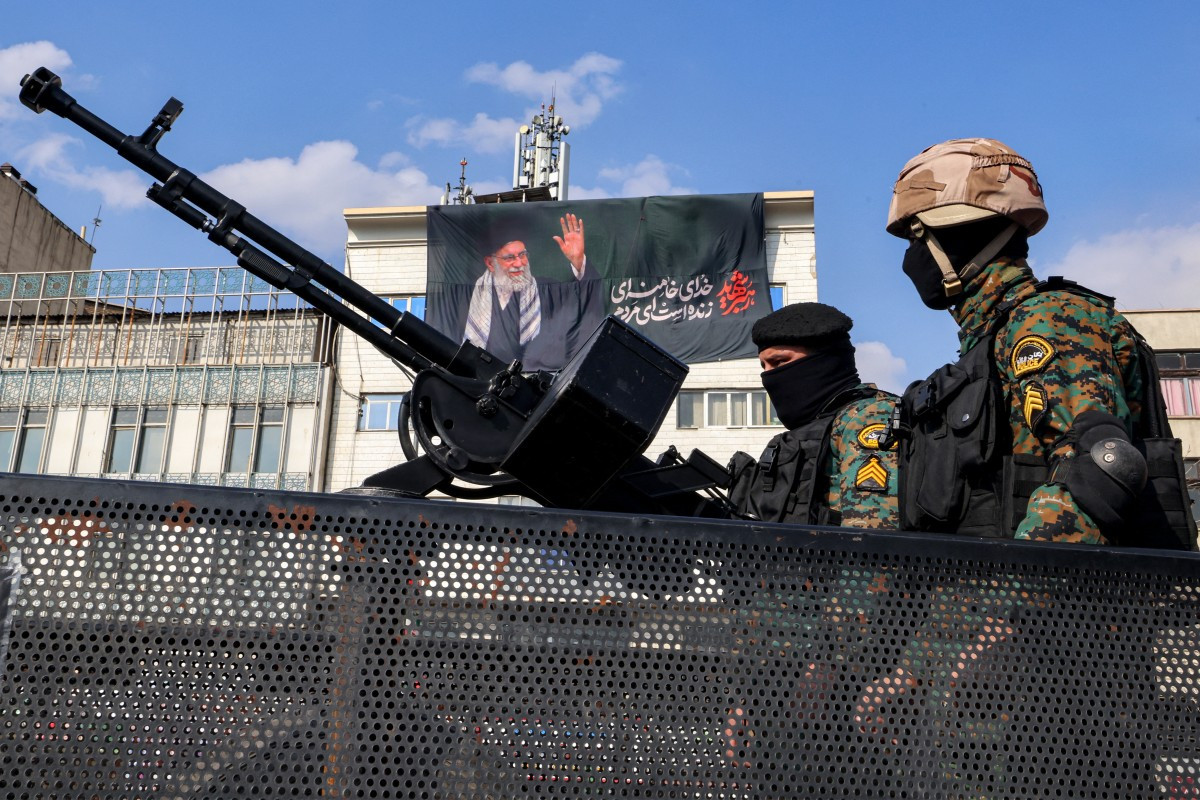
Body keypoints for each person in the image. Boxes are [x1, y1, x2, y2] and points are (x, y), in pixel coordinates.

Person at [886, 136, 1195, 548]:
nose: (912, 257)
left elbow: (1100, 468)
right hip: (987, 601)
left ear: (958, 235)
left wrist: (1014, 604)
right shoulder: (993, 337)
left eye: (917, 238)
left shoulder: (1049, 319)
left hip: (1064, 607)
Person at [727, 301, 899, 528]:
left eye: (780, 362)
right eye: (764, 367)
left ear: (824, 361)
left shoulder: (867, 418)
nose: (769, 376)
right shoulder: (817, 429)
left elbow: (871, 543)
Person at [456, 213, 604, 372]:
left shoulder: (548, 289)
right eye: (510, 257)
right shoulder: (471, 300)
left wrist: (578, 261)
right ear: (490, 263)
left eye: (522, 255)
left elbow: (585, 299)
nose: (519, 263)